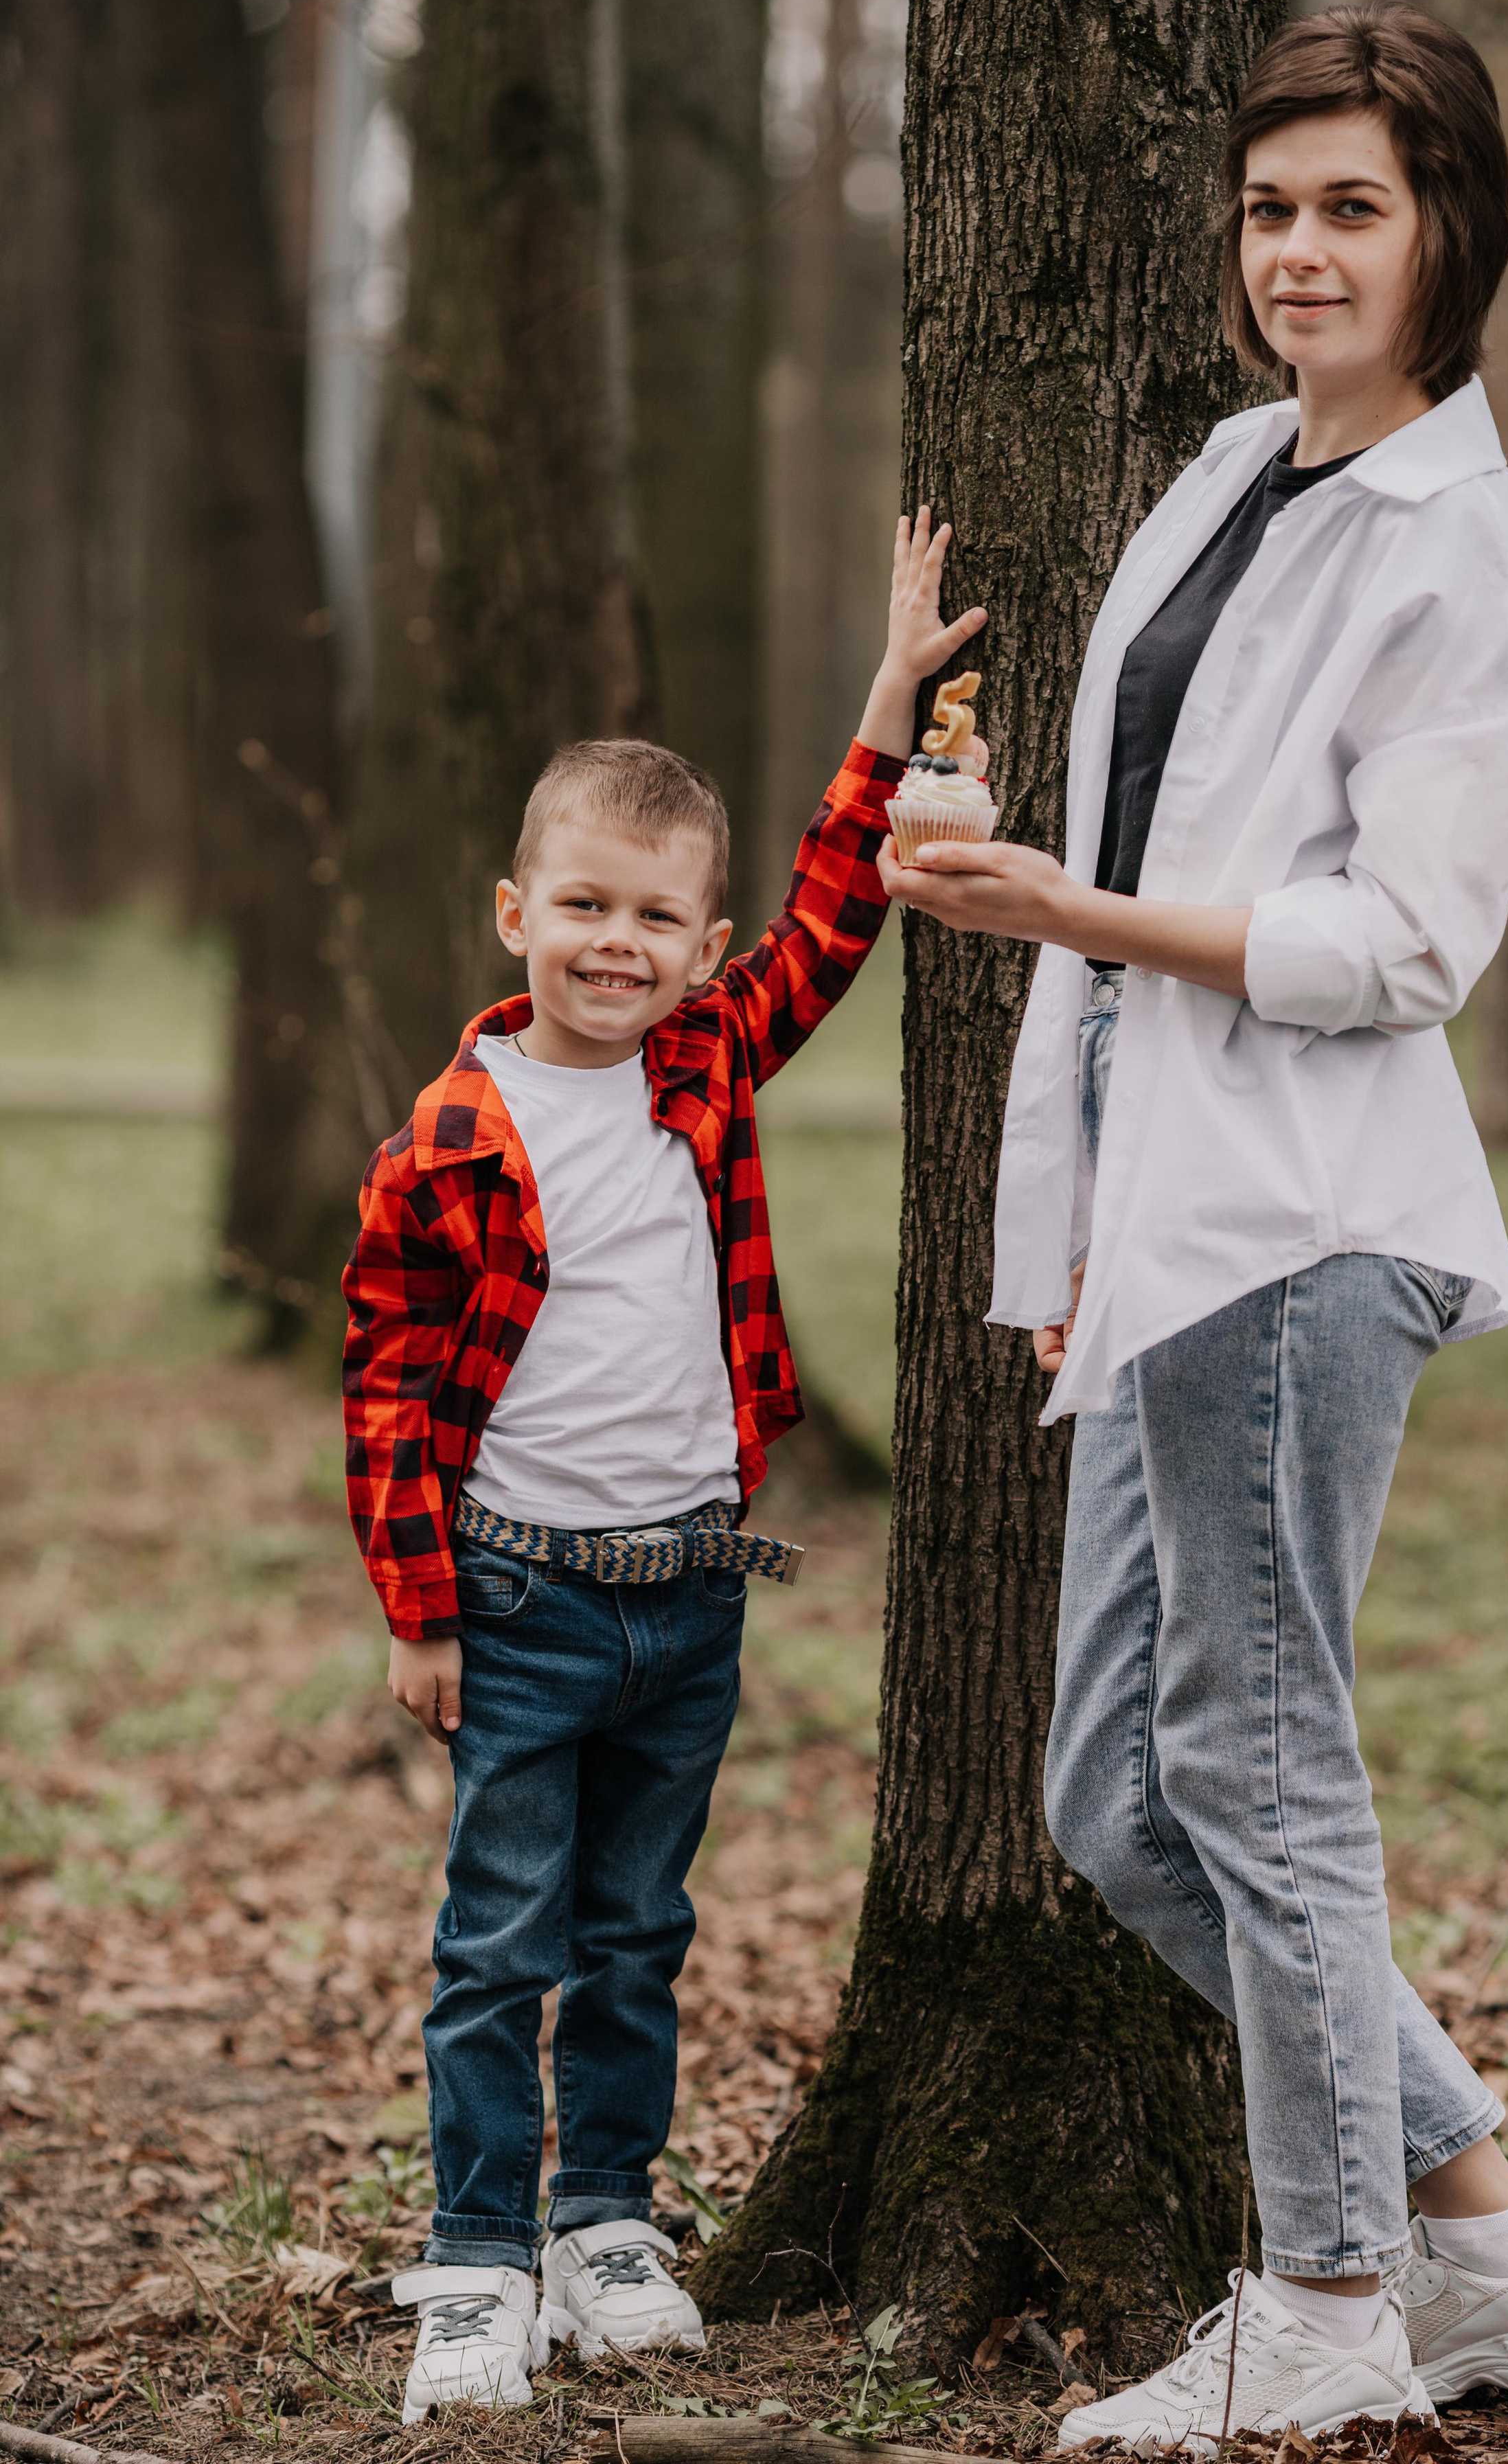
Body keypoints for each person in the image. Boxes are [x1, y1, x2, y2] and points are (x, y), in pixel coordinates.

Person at [879, 3, 1508, 2450]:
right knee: (1120, 1796)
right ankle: (1503, 2257)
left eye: (1354, 208)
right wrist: (1086, 1190)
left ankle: (1324, 2301)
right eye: (1270, 208)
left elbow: (1399, 947)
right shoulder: (1231, 470)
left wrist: (1068, 912)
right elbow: (1160, 840)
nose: (1299, 252)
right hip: (1173, 1232)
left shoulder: (1472, 549)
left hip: (1315, 1231)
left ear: (1452, 238)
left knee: (1263, 1762)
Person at [342, 517, 985, 2424]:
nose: (615, 948)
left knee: (638, 1933)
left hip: (690, 1591)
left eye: (654, 921)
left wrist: (888, 705)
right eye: (584, 906)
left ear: (701, 951)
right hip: (522, 1597)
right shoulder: (445, 1144)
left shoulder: (705, 1062)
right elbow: (384, 1388)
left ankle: (605, 2218)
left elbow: (839, 910)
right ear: (512, 912)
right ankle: (476, 2255)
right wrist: (419, 1614)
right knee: (496, 1944)